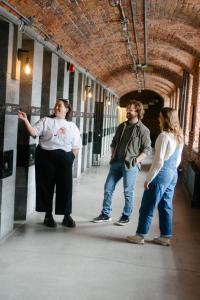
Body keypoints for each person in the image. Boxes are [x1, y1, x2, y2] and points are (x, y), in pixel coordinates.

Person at [18, 98, 82, 228]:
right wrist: (25, 120)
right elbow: (33, 133)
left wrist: (70, 158)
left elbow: (76, 146)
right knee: (45, 186)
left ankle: (66, 215)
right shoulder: (46, 121)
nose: (57, 108)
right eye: (56, 105)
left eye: (60, 106)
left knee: (65, 187)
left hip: (65, 158)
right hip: (46, 156)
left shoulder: (71, 126)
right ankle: (48, 215)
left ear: (66, 109)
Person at [127, 107, 184, 246]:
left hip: (162, 173)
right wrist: (171, 172)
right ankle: (165, 236)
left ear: (165, 118)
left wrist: (148, 179)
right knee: (166, 205)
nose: (158, 119)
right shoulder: (179, 136)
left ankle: (140, 235)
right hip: (173, 173)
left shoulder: (163, 136)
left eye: (160, 116)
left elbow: (158, 161)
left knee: (147, 205)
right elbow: (178, 160)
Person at [92, 100, 151, 225]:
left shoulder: (143, 130)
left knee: (128, 191)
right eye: (127, 109)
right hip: (117, 163)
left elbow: (146, 150)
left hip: (130, 165)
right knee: (108, 188)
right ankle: (105, 213)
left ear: (138, 112)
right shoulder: (122, 126)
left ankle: (126, 216)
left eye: (131, 109)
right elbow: (114, 142)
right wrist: (113, 156)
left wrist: (135, 161)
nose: (127, 111)